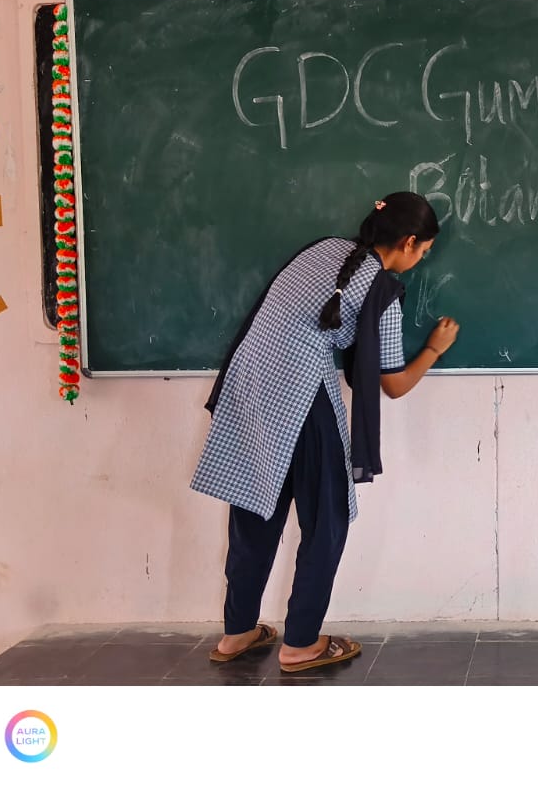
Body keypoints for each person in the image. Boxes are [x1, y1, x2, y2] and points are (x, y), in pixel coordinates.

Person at [190, 191, 459, 672]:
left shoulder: (323, 249)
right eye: (424, 251)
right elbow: (393, 384)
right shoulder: (380, 292)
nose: (421, 260)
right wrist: (435, 349)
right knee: (326, 521)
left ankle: (237, 633)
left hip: (248, 385)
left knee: (255, 509)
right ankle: (300, 644)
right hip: (302, 396)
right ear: (408, 242)